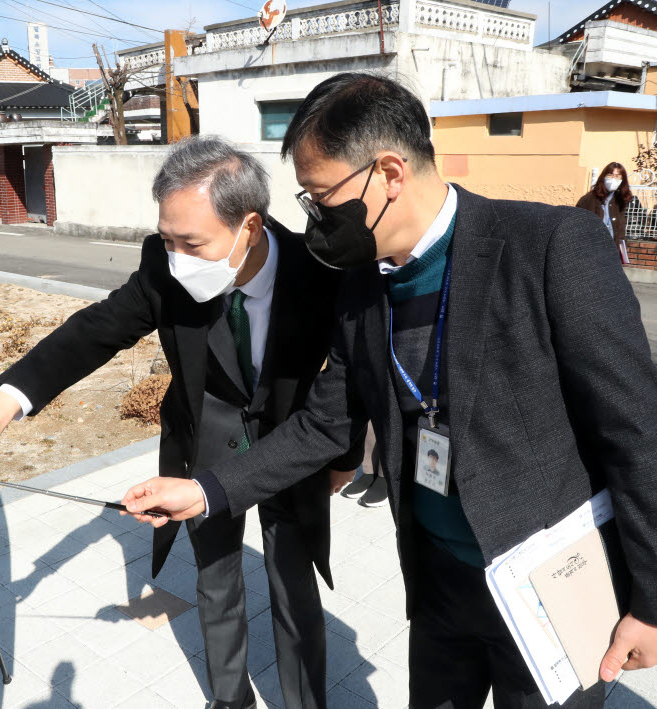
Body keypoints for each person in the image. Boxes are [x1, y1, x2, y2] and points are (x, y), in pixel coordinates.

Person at [122, 73, 657, 709]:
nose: (316, 218)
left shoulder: (549, 247)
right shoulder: (362, 285)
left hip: (552, 586)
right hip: (439, 586)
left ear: (390, 173)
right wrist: (206, 490)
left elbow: (635, 432)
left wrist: (650, 601)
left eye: (321, 197)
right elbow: (324, 422)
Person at [0, 136, 361, 709]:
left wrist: (346, 457)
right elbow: (98, 329)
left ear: (249, 227)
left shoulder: (319, 270)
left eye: (190, 243)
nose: (174, 256)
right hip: (205, 444)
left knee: (293, 583)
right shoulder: (166, 266)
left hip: (291, 445)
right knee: (216, 577)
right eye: (166, 238)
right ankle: (230, 699)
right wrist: (1, 406)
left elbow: (356, 374)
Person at [576, 162, 631, 259]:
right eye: (610, 175)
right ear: (604, 177)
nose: (613, 179)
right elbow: (577, 224)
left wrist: (622, 254)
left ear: (622, 180)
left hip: (611, 251)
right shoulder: (589, 199)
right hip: (591, 251)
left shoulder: (620, 201)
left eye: (618, 176)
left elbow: (621, 230)